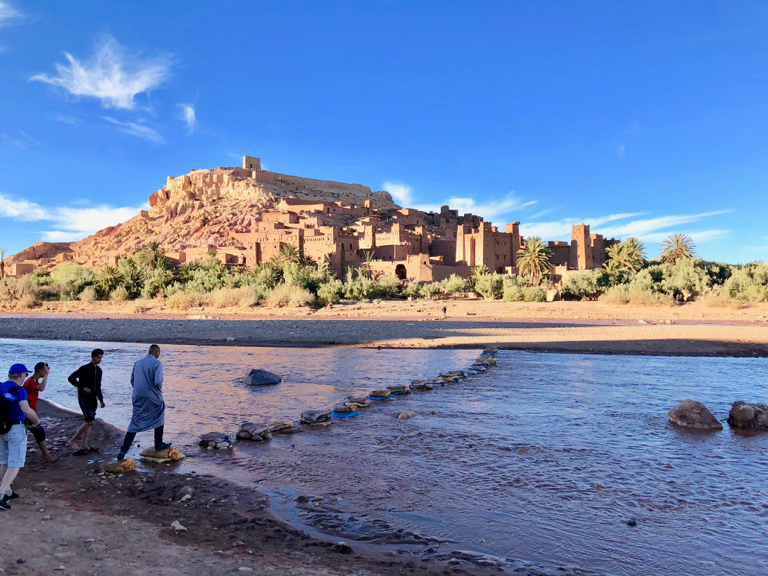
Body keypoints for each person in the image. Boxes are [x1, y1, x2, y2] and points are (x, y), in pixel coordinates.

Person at [118, 344, 170, 460]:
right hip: (152, 395)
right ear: (157, 353)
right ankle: (159, 444)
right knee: (160, 412)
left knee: (135, 420)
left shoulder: (137, 363)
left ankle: (123, 450)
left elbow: (132, 380)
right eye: (159, 353)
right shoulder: (157, 363)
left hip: (137, 395)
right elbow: (158, 381)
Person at [1, 363, 42, 510]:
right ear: (21, 375)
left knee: (4, 461)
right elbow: (26, 410)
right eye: (25, 374)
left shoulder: (0, 386)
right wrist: (37, 423)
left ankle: (7, 491)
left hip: (2, 429)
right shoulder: (20, 390)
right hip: (16, 429)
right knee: (15, 463)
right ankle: (0, 495)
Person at [68, 349, 106, 456]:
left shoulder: (99, 371)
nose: (100, 360)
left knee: (90, 421)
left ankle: (84, 444)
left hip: (94, 398)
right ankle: (73, 440)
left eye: (101, 358)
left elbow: (98, 386)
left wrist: (101, 399)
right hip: (84, 398)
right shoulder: (84, 369)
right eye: (98, 357)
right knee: (90, 420)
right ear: (93, 357)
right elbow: (71, 378)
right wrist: (82, 387)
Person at [22, 362, 53, 463]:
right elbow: (41, 388)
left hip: (30, 411)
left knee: (31, 433)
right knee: (39, 432)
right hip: (28, 412)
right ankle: (46, 456)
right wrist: (47, 376)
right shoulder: (31, 381)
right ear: (40, 370)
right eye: (45, 370)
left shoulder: (33, 380)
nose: (47, 372)